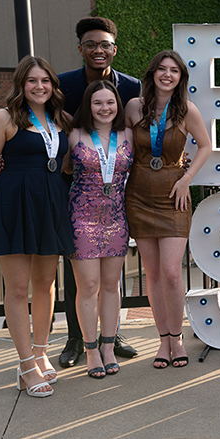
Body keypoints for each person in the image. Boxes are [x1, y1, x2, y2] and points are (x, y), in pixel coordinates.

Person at [0, 56, 74, 397]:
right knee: (18, 289)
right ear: (21, 84)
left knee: (46, 284)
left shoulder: (61, 119)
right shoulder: (2, 118)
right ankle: (25, 366)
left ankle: (41, 352)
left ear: (53, 85)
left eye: (45, 81)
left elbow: (65, 161)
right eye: (32, 81)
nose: (39, 86)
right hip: (13, 206)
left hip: (49, 205)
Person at [57, 17, 141, 368]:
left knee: (110, 279)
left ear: (114, 49)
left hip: (114, 195)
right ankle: (77, 339)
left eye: (105, 45)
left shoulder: (132, 86)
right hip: (73, 186)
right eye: (91, 44)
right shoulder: (62, 85)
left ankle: (111, 336)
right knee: (79, 277)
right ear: (81, 48)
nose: (98, 50)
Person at [125, 50, 211, 369]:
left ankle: (177, 336)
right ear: (152, 74)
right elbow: (117, 143)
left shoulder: (187, 110)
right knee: (155, 273)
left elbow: (205, 145)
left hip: (174, 195)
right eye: (161, 69)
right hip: (139, 195)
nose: (167, 74)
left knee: (173, 272)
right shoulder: (135, 108)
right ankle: (163, 342)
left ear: (180, 78)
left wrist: (187, 178)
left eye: (173, 70)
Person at [64, 80, 133, 378]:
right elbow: (54, 164)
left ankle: (108, 346)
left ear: (117, 104)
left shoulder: (128, 135)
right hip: (82, 217)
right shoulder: (73, 135)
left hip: (117, 218)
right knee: (88, 287)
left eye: (110, 102)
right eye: (97, 103)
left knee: (110, 286)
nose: (105, 108)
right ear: (88, 106)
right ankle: (91, 350)